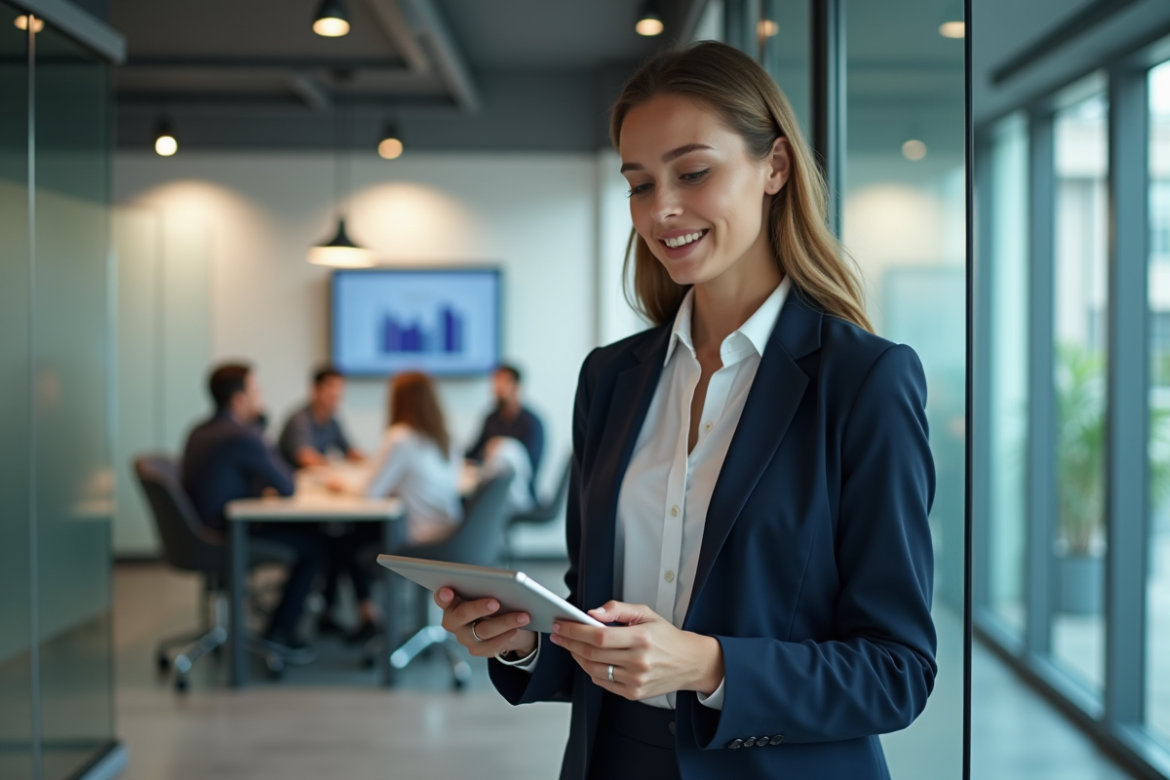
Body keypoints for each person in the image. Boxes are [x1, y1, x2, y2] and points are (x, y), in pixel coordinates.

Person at [436, 41, 936, 780]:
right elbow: (596, 616)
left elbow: (897, 670)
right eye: (639, 184)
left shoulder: (864, 379)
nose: (661, 209)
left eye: (693, 173)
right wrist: (524, 640)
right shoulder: (610, 379)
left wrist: (706, 664)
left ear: (775, 168)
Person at [181, 363, 326, 660]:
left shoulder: (199, 430)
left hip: (200, 530)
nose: (260, 399)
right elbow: (286, 485)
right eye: (255, 392)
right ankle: (279, 631)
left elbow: (228, 478)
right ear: (239, 400)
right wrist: (258, 430)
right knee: (316, 546)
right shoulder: (241, 435)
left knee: (308, 538)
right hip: (228, 535)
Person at [465, 364, 545, 496]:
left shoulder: (532, 423)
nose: (497, 388)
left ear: (516, 387)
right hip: (490, 487)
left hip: (519, 493)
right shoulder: (491, 418)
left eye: (502, 382)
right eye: (495, 382)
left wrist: (502, 448)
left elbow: (529, 467)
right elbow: (474, 452)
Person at [278, 365, 364, 469]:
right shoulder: (300, 420)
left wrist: (366, 460)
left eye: (339, 388)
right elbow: (305, 458)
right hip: (293, 479)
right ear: (315, 389)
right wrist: (334, 465)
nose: (335, 393)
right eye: (330, 387)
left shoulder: (332, 422)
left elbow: (349, 450)